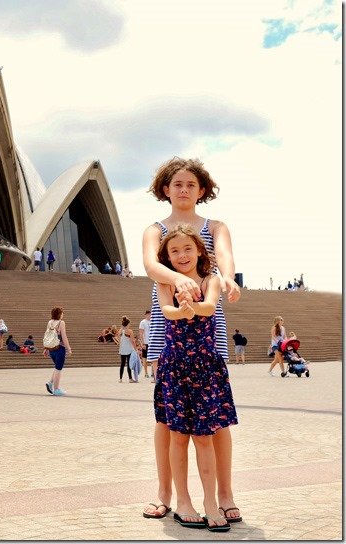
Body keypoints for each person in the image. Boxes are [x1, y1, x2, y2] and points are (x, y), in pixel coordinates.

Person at [141, 157, 242, 524]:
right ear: (165, 189)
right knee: (168, 417)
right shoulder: (155, 229)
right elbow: (152, 265)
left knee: (215, 419)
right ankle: (165, 493)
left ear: (202, 190)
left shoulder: (215, 226)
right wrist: (177, 279)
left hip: (206, 323)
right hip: (168, 326)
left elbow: (225, 260)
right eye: (176, 184)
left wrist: (228, 279)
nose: (183, 190)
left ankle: (225, 494)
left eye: (190, 184)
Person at [153, 224, 237, 532]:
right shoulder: (165, 282)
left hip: (205, 368)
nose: (181, 255)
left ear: (200, 250)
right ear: (167, 256)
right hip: (175, 367)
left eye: (187, 248)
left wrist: (192, 307)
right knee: (177, 436)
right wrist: (182, 310)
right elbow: (165, 310)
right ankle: (183, 501)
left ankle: (211, 502)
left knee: (205, 436)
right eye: (174, 251)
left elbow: (211, 306)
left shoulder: (210, 279)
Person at [43, 306, 72, 396]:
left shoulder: (50, 322)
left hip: (51, 348)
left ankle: (50, 383)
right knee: (59, 368)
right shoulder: (61, 323)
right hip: (59, 348)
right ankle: (56, 389)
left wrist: (46, 348)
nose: (63, 314)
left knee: (56, 367)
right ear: (59, 314)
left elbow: (48, 336)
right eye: (62, 313)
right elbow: (64, 337)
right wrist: (69, 348)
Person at [115, 316, 137, 383]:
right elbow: (132, 341)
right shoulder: (130, 331)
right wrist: (135, 349)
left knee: (122, 364)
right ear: (127, 324)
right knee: (129, 364)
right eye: (129, 324)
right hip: (129, 349)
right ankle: (130, 379)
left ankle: (120, 379)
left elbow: (118, 339)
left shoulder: (120, 330)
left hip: (122, 349)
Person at [139, 310, 151, 378]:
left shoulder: (153, 321)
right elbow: (141, 333)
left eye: (150, 314)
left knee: (154, 357)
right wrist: (142, 343)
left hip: (152, 342)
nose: (149, 316)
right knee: (145, 358)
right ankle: (146, 372)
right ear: (145, 315)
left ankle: (153, 372)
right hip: (146, 342)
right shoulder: (143, 322)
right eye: (148, 314)